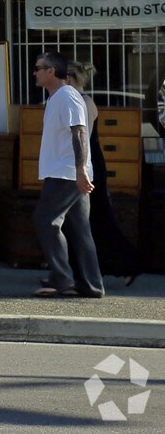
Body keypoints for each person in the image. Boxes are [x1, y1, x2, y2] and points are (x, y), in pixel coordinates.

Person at [31, 52, 105, 299]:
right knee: (80, 229)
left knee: (46, 220)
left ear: (51, 71)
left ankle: (62, 278)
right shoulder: (56, 98)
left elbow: (80, 133)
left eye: (38, 68)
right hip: (67, 172)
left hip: (67, 173)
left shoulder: (68, 97)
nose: (34, 72)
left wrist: (81, 170)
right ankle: (91, 285)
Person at [78, 64, 145, 287]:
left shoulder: (84, 102)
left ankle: (129, 263)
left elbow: (82, 138)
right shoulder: (78, 100)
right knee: (90, 220)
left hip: (90, 165)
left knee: (99, 219)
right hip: (88, 163)